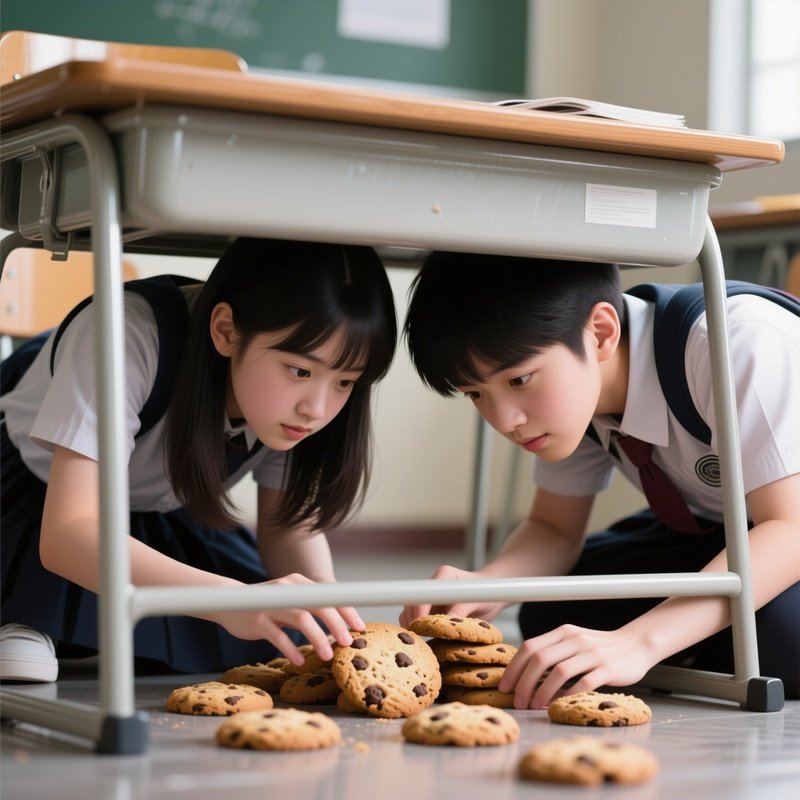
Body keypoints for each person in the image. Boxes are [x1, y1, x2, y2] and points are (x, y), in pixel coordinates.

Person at [399, 250, 799, 707]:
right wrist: (489, 583)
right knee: (554, 617)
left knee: (785, 639)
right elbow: (554, 528)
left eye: (519, 380)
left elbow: (790, 528)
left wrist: (641, 642)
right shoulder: (573, 395)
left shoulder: (734, 343)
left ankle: (691, 641)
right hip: (717, 529)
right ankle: (701, 639)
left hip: (784, 530)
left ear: (601, 332)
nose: (505, 419)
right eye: (476, 393)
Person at [0, 237, 397, 682]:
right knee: (25, 652)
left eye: (345, 382)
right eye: (300, 371)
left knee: (280, 632)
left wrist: (330, 613)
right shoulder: (124, 335)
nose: (317, 409)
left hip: (154, 513)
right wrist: (227, 601)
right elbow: (71, 532)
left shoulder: (293, 408)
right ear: (226, 330)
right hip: (35, 494)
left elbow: (286, 527)